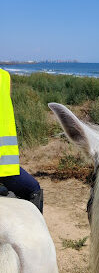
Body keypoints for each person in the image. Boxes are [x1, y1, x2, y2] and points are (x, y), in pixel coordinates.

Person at [0, 68, 43, 213]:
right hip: (4, 166)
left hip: (6, 163)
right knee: (34, 190)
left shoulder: (5, 76)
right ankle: (36, 234)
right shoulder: (4, 76)